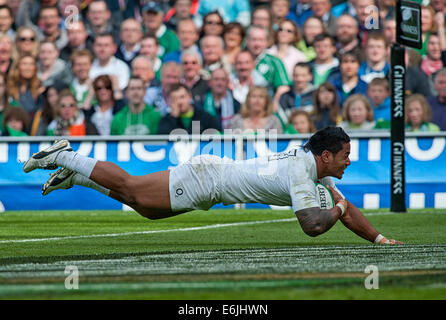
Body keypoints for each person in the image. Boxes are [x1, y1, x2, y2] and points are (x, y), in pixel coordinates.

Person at [24, 126, 403, 245]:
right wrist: (337, 206)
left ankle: (78, 177)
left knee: (147, 209)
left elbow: (345, 211)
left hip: (212, 180)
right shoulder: (302, 174)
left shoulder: (311, 167)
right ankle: (64, 155)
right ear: (325, 157)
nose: (349, 160)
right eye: (345, 154)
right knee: (133, 189)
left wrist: (380, 241)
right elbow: (313, 225)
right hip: (207, 180)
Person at [157, 83, 221, 134]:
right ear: (170, 101)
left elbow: (219, 136)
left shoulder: (204, 117)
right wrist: (173, 118)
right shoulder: (166, 120)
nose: (179, 102)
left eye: (182, 97)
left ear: (190, 96)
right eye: (175, 99)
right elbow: (161, 139)